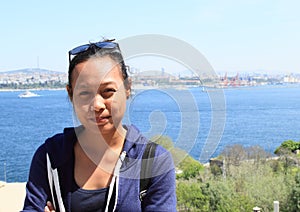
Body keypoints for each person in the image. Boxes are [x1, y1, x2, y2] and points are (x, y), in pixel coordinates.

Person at [22, 39, 177, 212]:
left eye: (108, 91)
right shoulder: (50, 157)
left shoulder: (153, 161)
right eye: (84, 93)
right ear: (70, 94)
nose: (97, 105)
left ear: (127, 88)